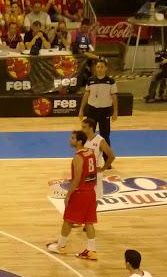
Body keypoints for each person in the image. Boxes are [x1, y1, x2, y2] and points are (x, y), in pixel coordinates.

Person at [46, 131, 98, 260]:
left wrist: (68, 194)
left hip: (81, 192)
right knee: (89, 221)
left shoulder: (78, 157)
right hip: (91, 191)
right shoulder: (91, 152)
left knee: (68, 220)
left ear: (79, 141)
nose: (70, 140)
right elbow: (92, 171)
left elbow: (78, 177)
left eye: (73, 138)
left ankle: (61, 246)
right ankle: (92, 250)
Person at [78, 59, 118, 162]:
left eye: (102, 67)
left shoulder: (110, 81)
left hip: (105, 111)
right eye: (98, 67)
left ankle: (107, 160)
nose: (100, 69)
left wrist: (115, 112)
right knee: (88, 134)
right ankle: (86, 159)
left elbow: (114, 97)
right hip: (92, 111)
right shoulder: (90, 80)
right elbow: (86, 95)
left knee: (105, 136)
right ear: (95, 68)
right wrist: (81, 110)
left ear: (106, 68)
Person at [82, 118, 115, 200]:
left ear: (91, 128)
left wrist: (103, 168)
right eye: (82, 127)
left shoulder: (100, 140)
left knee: (96, 197)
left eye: (84, 127)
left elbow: (111, 156)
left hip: (95, 172)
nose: (82, 129)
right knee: (85, 195)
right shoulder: (83, 138)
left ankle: (93, 212)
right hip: (85, 171)